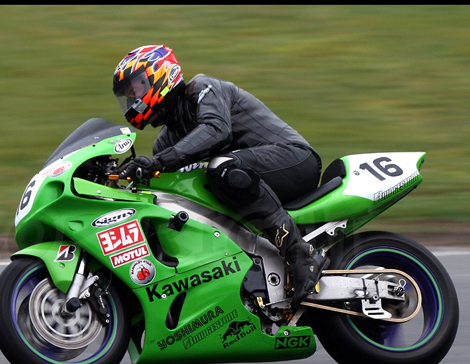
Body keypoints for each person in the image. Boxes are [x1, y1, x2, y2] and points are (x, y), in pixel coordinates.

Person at [112, 44, 329, 307]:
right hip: (251, 181)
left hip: (294, 160)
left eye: (136, 89)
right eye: (128, 95)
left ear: (160, 75)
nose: (133, 99)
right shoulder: (165, 141)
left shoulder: (203, 89)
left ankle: (300, 256)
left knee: (222, 168)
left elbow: (216, 130)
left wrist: (159, 162)